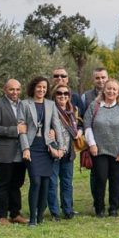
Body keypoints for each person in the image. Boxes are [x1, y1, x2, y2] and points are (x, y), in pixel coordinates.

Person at [19, 76, 64, 225]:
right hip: (32, 148)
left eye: (44, 87)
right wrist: (25, 148)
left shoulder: (51, 105)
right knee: (36, 182)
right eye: (39, 87)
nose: (42, 90)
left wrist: (61, 147)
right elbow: (22, 129)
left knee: (46, 184)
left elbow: (57, 126)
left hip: (46, 148)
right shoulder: (24, 104)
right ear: (33, 87)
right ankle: (32, 218)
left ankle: (40, 218)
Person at [84, 79, 119, 217]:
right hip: (99, 150)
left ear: (118, 92)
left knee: (116, 180)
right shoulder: (95, 106)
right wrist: (92, 143)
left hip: (117, 151)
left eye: (114, 90)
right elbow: (87, 125)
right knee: (100, 179)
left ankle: (113, 207)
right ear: (104, 90)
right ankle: (99, 208)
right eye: (109, 88)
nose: (111, 91)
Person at [0, 80, 30, 224]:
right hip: (5, 152)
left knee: (17, 184)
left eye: (18, 89)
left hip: (21, 152)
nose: (15, 92)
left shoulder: (23, 104)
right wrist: (16, 130)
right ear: (4, 90)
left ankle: (15, 214)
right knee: (4, 184)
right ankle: (2, 216)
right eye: (12, 89)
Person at [48, 80, 82, 220]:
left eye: (65, 93)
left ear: (69, 95)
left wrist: (79, 130)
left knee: (67, 182)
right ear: (54, 95)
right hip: (54, 152)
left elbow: (79, 124)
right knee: (53, 183)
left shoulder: (72, 110)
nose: (62, 96)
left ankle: (68, 210)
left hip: (68, 152)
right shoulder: (50, 110)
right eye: (59, 93)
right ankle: (54, 211)